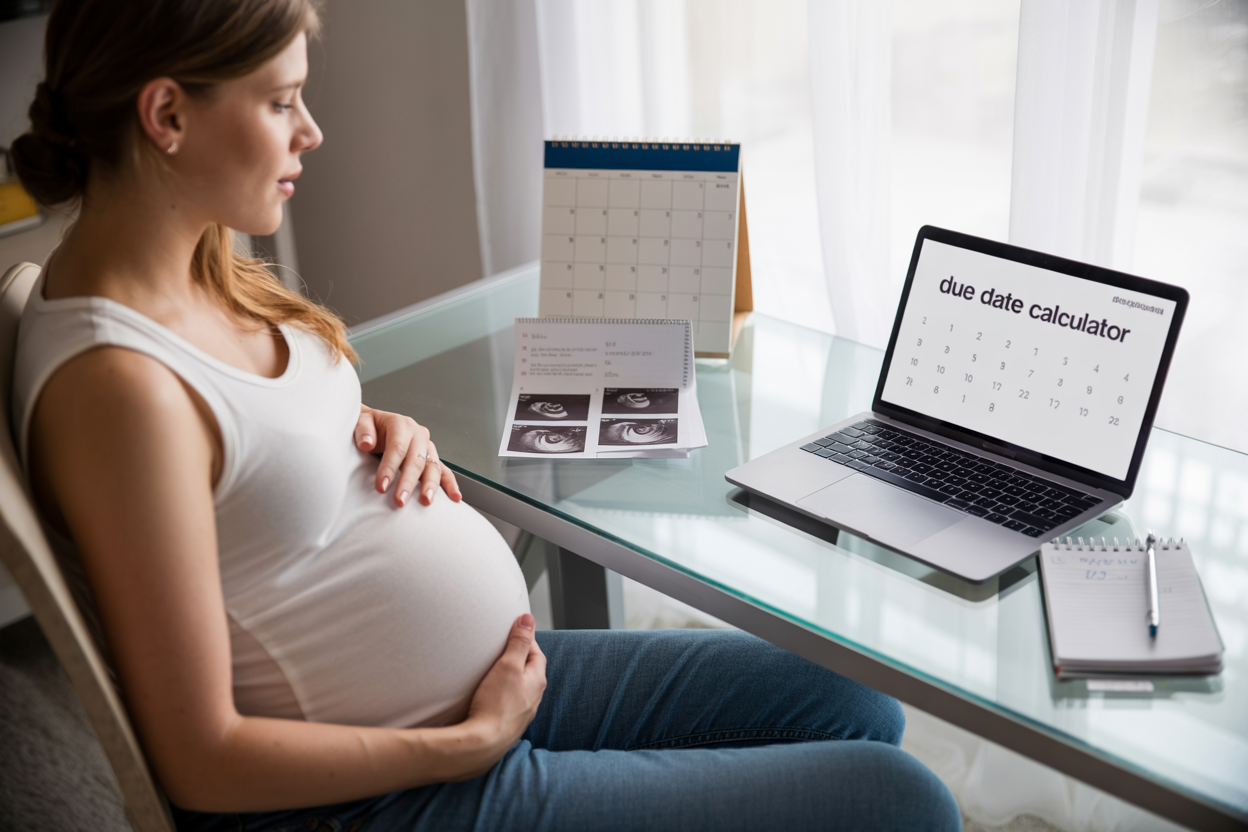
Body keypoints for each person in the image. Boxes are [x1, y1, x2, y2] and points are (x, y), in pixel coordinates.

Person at [9, 1, 961, 829]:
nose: (312, 131)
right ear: (167, 112)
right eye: (279, 100)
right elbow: (198, 758)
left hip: (474, 691)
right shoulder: (117, 387)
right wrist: (467, 746)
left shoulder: (191, 262)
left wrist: (366, 426)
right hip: (387, 792)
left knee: (849, 698)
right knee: (900, 801)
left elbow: (240, 455)